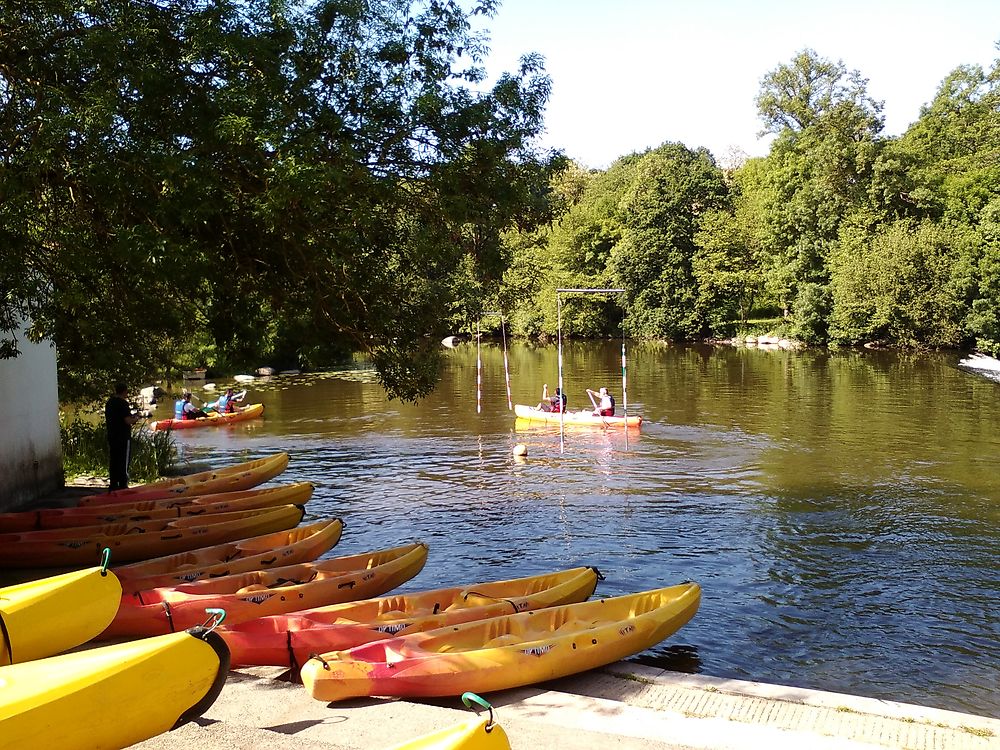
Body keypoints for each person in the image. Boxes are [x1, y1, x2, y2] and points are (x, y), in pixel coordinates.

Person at [105, 382, 139, 491]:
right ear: (124, 391)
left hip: (112, 435)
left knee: (114, 459)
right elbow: (127, 420)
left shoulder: (109, 402)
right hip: (123, 436)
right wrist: (136, 418)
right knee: (123, 460)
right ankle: (123, 484)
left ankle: (113, 484)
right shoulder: (123, 403)